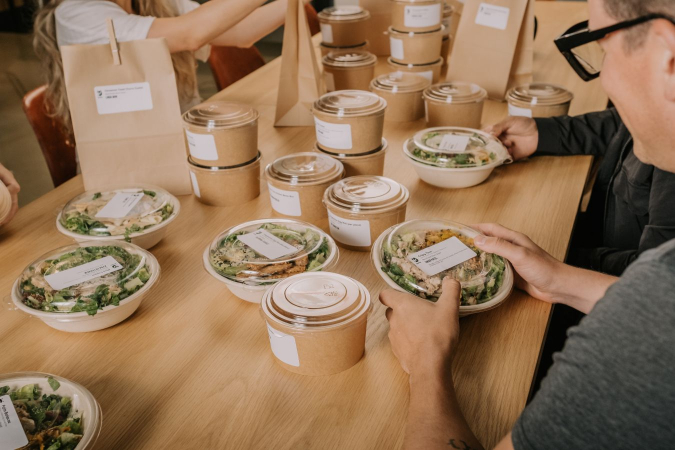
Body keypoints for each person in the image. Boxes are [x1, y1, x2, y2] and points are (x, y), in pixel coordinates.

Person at [380, 0, 675, 448]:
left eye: (603, 49)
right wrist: (561, 280)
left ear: (667, 55)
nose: (606, 78)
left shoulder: (649, 330)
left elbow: (653, 308)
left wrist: (426, 360)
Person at [33, 0, 305, 131]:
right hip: (127, 167)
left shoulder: (156, 2)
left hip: (189, 144)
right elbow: (190, 34)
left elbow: (243, 32)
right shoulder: (77, 13)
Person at [486, 108, 675, 277]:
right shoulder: (651, 105)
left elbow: (657, 275)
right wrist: (542, 134)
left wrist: (561, 260)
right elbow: (624, 118)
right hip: (596, 241)